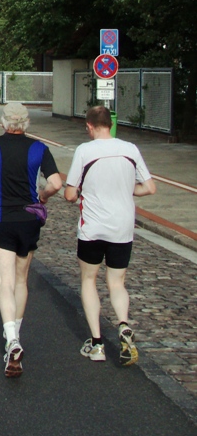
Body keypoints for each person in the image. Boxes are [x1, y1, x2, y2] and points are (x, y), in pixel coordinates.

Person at [0, 102, 62, 377]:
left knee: (4, 283)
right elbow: (55, 183)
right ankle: (15, 337)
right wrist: (41, 196)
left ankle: (11, 340)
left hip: (0, 219)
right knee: (21, 280)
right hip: (29, 218)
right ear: (26, 123)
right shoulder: (39, 148)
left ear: (5, 123)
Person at [64, 105, 156, 365]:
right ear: (111, 124)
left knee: (89, 280)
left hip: (92, 227)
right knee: (117, 282)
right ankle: (124, 324)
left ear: (89, 126)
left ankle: (97, 344)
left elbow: (70, 194)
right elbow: (149, 187)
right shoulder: (130, 149)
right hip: (122, 227)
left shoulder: (84, 150)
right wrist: (127, 190)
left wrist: (81, 192)